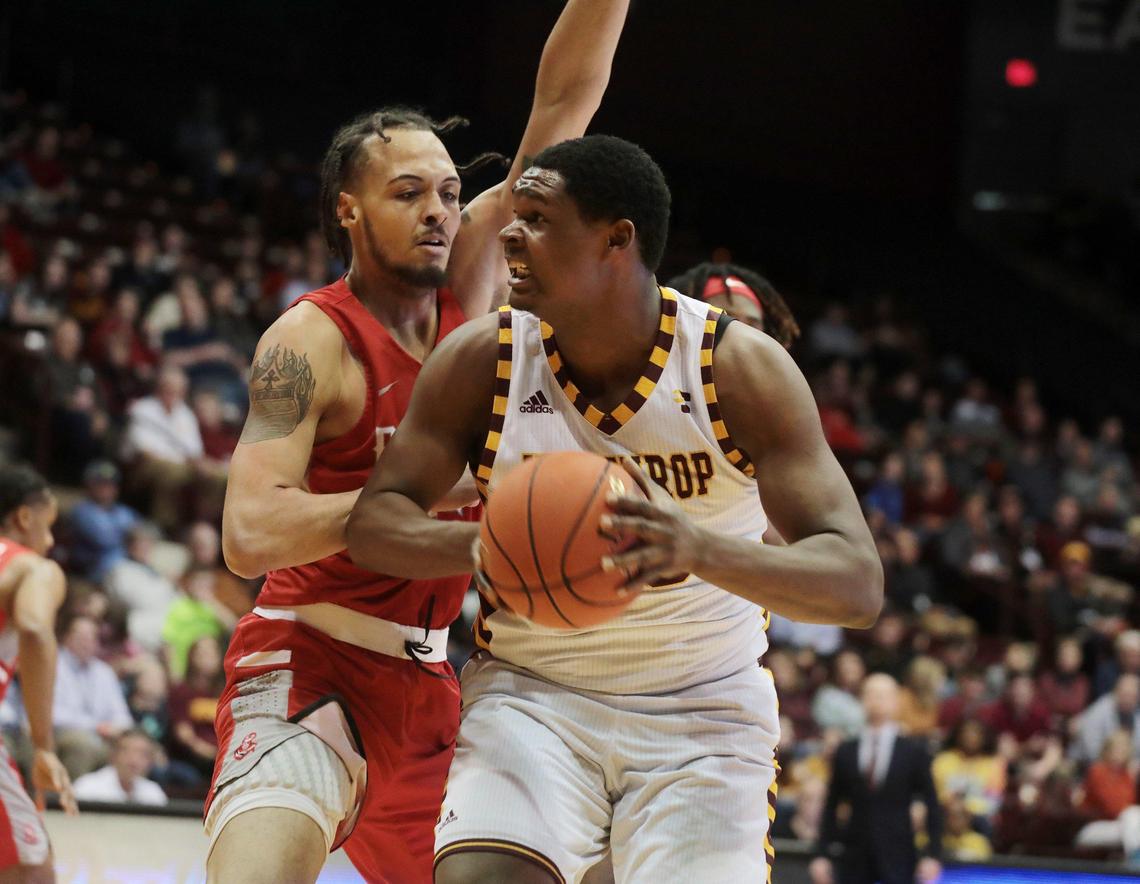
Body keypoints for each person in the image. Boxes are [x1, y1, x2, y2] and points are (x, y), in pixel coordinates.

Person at [347, 134, 882, 884]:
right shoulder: (482, 360)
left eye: (535, 217)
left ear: (616, 240)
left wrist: (699, 551)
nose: (507, 232)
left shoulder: (737, 369)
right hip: (533, 697)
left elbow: (857, 584)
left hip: (702, 715)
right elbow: (374, 523)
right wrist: (488, 547)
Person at [205, 5, 631, 883]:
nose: (440, 211)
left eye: (446, 191)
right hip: (310, 657)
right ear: (349, 210)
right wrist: (427, 496)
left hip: (437, 682)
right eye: (408, 194)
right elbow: (249, 533)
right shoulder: (309, 340)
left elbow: (563, 105)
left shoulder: (469, 283)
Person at [0, 464, 78, 881]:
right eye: (48, 527)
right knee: (34, 870)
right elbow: (32, 626)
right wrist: (44, 745)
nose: (49, 542)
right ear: (23, 518)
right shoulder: (32, 567)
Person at [811, 674, 942, 884]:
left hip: (900, 853)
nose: (877, 700)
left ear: (896, 701)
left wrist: (933, 855)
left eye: (883, 695)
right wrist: (821, 854)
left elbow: (932, 804)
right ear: (861, 700)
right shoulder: (846, 750)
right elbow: (831, 805)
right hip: (854, 853)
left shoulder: (914, 751)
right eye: (871, 694)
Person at [71, 728, 166, 806]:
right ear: (113, 755)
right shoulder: (87, 787)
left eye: (143, 754)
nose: (134, 760)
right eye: (127, 752)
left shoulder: (154, 792)